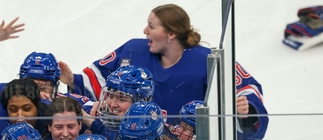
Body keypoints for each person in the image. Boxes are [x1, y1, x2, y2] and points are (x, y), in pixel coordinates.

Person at [59, 3, 268, 117]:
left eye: (151, 26)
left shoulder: (206, 60)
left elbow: (246, 87)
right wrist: (72, 80)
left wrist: (245, 107)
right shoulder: (133, 50)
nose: (145, 31)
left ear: (171, 34)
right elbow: (100, 78)